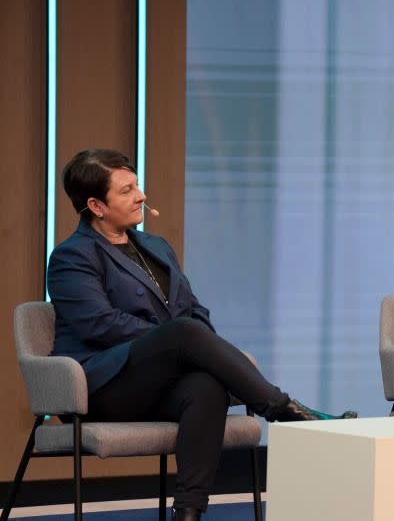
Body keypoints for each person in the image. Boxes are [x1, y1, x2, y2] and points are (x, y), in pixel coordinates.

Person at [47, 149, 357, 521]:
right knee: (184, 333)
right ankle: (283, 410)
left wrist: (194, 345)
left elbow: (194, 309)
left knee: (206, 387)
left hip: (158, 382)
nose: (141, 196)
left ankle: (189, 512)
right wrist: (176, 340)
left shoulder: (156, 246)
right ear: (96, 205)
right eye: (127, 190)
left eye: (138, 185)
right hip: (102, 386)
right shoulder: (72, 257)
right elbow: (99, 324)